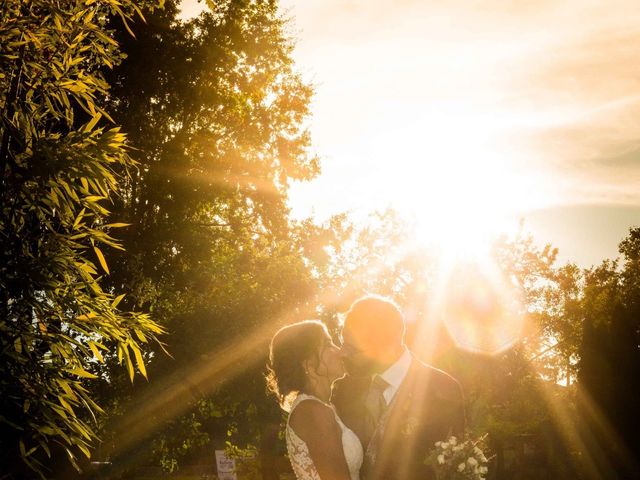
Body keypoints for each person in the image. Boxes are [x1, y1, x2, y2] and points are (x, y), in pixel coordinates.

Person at [333, 295, 466, 480]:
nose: (342, 354)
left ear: (386, 345)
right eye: (343, 344)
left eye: (352, 349)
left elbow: (454, 466)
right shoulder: (343, 390)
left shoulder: (443, 388)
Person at [267, 320, 363, 480]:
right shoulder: (313, 412)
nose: (339, 351)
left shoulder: (324, 407)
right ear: (308, 365)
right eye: (328, 344)